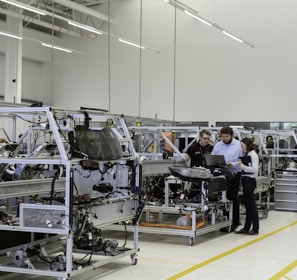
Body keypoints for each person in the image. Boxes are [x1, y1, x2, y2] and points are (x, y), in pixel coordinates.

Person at [211, 126, 243, 232]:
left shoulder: (238, 145)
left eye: (227, 136)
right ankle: (225, 221)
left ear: (231, 135)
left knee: (232, 197)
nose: (225, 138)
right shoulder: (218, 145)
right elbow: (212, 158)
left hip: (234, 174)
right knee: (223, 198)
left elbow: (241, 160)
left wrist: (232, 165)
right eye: (223, 136)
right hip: (221, 174)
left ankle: (235, 222)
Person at [235, 137, 260, 235]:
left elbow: (255, 170)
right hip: (245, 180)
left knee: (252, 206)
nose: (241, 148)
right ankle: (246, 227)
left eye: (242, 146)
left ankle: (255, 228)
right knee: (248, 206)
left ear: (247, 145)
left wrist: (242, 166)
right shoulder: (247, 154)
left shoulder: (253, 155)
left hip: (250, 180)